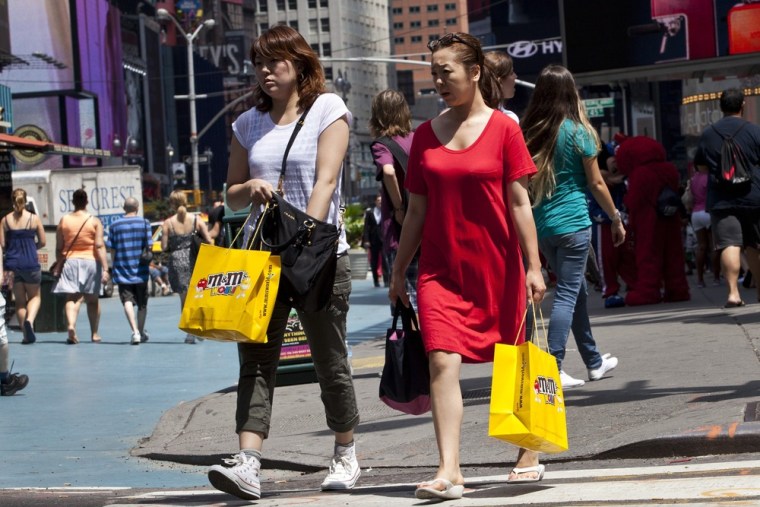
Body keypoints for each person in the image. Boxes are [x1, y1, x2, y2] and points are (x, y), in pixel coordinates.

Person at [388, 32, 546, 500]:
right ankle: (449, 468)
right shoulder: (423, 135)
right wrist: (399, 272)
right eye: (433, 72)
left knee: (512, 362)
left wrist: (534, 266)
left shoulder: (504, 128)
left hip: (497, 266)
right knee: (441, 361)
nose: (438, 81)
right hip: (441, 270)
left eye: (446, 72)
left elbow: (519, 203)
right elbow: (415, 211)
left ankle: (527, 451)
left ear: (474, 73)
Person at [206, 25, 359, 501]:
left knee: (328, 360)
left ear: (300, 63)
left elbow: (325, 182)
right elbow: (230, 192)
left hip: (318, 257)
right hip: (262, 264)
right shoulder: (247, 123)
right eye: (259, 64)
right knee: (255, 361)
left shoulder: (327, 110)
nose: (265, 71)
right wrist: (248, 189)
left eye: (275, 62)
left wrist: (304, 241)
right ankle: (248, 461)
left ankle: (345, 451)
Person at [522, 64, 622, 389]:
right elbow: (596, 182)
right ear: (571, 92)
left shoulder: (530, 132)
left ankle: (593, 361)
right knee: (566, 294)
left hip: (542, 227)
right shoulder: (580, 131)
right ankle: (553, 366)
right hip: (574, 223)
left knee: (575, 291)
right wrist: (616, 217)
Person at [694, 87, 760, 307]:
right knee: (755, 244)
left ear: (720, 108)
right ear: (742, 105)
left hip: (722, 198)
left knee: (729, 243)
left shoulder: (708, 134)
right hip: (753, 196)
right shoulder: (754, 130)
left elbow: (701, 166)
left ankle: (733, 293)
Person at [615, 136, 690, 305]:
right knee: (674, 254)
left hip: (647, 220)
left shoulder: (640, 174)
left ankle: (648, 291)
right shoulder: (669, 169)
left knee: (648, 256)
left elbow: (634, 201)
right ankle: (678, 288)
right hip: (670, 216)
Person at [369, 89, 418, 307]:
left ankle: (411, 341)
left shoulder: (382, 144)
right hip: (424, 225)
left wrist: (399, 208)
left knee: (403, 298)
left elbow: (388, 171)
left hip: (398, 231)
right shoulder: (417, 138)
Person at [52, 188, 110, 344]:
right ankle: (95, 333)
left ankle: (71, 325)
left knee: (72, 298)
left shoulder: (64, 220)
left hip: (70, 262)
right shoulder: (94, 221)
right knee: (92, 300)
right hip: (91, 262)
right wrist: (105, 268)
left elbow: (59, 247)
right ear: (86, 202)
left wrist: (59, 262)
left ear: (73, 202)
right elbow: (99, 245)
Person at [588, 143, 636, 307]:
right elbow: (592, 208)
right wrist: (609, 217)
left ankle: (634, 285)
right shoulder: (597, 186)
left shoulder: (622, 185)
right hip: (604, 228)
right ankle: (610, 291)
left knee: (627, 256)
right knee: (606, 259)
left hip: (622, 223)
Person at [161, 190, 211, 344]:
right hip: (195, 259)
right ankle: (200, 329)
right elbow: (209, 240)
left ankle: (189, 332)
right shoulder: (196, 219)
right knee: (197, 297)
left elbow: (163, 247)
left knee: (184, 300)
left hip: (177, 261)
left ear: (172, 204)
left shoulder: (168, 223)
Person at [0, 188, 46, 344]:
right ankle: (30, 321)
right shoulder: (34, 219)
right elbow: (43, 241)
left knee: (19, 301)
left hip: (11, 265)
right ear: (25, 201)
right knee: (35, 297)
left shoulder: (5, 220)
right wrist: (33, 248)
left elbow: (2, 245)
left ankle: (25, 335)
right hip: (30, 263)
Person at [106, 197, 153, 345]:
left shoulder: (114, 225)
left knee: (127, 300)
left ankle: (135, 332)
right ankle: (140, 330)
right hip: (141, 270)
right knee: (142, 304)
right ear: (137, 207)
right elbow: (149, 246)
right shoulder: (145, 223)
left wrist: (113, 267)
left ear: (124, 208)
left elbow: (111, 249)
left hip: (122, 270)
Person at [0, 244, 29, 396]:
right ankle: (5, 380)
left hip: (14, 265)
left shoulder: (7, 222)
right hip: (28, 266)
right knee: (1, 339)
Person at [688, 165, 721, 287]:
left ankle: (700, 280)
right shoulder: (710, 177)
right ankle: (716, 278)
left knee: (701, 246)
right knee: (713, 246)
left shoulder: (693, 179)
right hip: (708, 212)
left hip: (696, 213)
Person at [484, 50, 519, 124]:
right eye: (511, 72)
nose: (515, 76)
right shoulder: (510, 119)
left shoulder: (462, 114)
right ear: (499, 81)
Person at [362, 194, 387, 287]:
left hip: (384, 240)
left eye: (381, 200)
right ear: (375, 201)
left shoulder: (386, 211)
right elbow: (366, 228)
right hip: (373, 240)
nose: (380, 202)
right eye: (378, 200)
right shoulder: (370, 212)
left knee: (385, 260)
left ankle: (386, 280)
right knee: (374, 261)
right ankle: (375, 280)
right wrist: (366, 240)